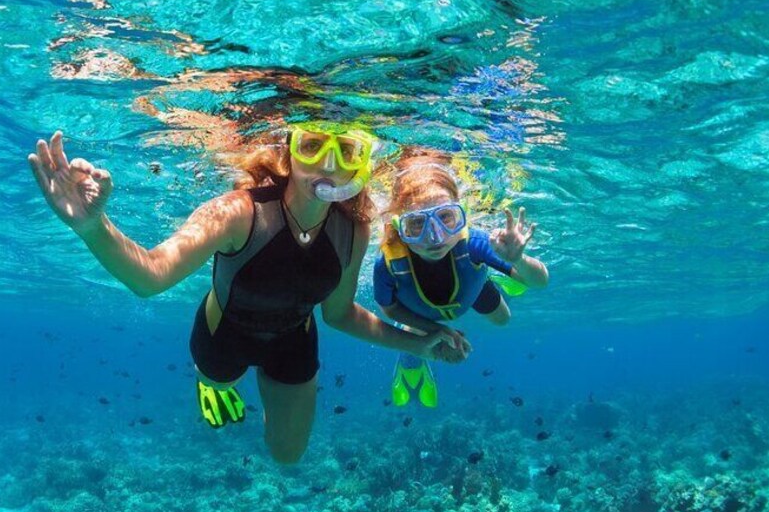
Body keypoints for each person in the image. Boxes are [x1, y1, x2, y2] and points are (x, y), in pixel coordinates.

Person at [27, 122, 467, 464]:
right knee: (219, 380)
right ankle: (212, 383)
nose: (329, 165)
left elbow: (338, 314)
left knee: (287, 456)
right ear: (289, 153)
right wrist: (92, 227)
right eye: (313, 146)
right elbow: (151, 276)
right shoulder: (239, 212)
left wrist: (420, 343)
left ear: (359, 163)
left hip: (295, 339)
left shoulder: (354, 229)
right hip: (224, 334)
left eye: (346, 151)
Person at [373, 147, 549, 408]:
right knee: (417, 336)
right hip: (420, 312)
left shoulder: (475, 243)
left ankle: (499, 273)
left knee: (503, 319)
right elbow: (389, 309)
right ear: (399, 227)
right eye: (417, 224)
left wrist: (517, 261)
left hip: (471, 288)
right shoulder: (388, 264)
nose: (435, 237)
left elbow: (540, 281)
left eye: (446, 218)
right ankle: (411, 364)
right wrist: (438, 331)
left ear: (461, 215)